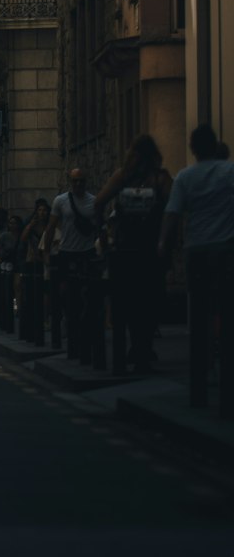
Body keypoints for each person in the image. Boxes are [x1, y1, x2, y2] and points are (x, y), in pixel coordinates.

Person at [159, 123, 234, 407]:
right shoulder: (230, 172)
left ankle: (199, 386)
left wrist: (163, 245)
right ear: (215, 146)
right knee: (227, 312)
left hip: (197, 251)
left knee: (199, 314)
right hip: (226, 250)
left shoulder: (186, 177)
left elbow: (172, 214)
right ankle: (228, 386)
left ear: (193, 149)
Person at [97, 133, 171, 373]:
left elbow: (98, 203)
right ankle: (142, 347)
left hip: (125, 248)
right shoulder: (160, 179)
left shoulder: (122, 176)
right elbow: (172, 211)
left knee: (128, 301)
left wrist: (104, 238)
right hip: (150, 250)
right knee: (149, 300)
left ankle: (137, 347)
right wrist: (166, 241)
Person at [42, 168, 99, 351]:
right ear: (70, 182)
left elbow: (100, 227)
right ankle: (66, 332)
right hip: (66, 253)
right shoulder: (61, 201)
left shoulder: (93, 201)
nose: (78, 184)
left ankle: (85, 333)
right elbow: (50, 227)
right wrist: (46, 253)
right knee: (65, 295)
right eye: (75, 181)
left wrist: (103, 251)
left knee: (89, 295)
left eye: (81, 181)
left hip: (88, 252)